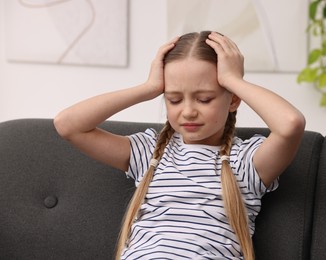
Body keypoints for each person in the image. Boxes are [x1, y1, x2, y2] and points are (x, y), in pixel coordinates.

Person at [54, 31, 306, 260]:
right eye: (174, 99)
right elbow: (68, 125)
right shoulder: (150, 152)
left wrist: (233, 79)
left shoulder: (246, 161)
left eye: (204, 99)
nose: (188, 112)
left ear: (233, 100)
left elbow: (291, 124)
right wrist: (148, 88)